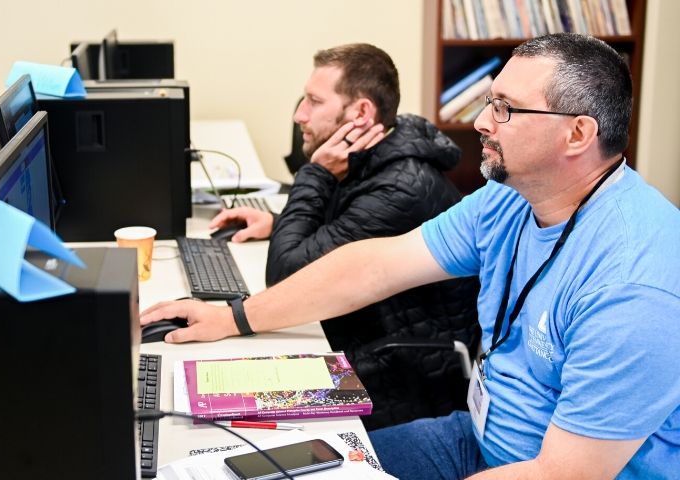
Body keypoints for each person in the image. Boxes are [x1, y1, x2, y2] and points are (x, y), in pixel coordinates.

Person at [143, 33, 680, 478]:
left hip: (536, 469)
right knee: (259, 470)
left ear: (577, 133)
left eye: (505, 109)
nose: (482, 123)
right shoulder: (509, 197)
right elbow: (377, 264)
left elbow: (561, 474)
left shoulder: (634, 287)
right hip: (476, 437)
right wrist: (233, 317)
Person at [209, 43, 481, 430]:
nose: (299, 114)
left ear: (361, 113)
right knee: (219, 387)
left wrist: (315, 174)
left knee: (232, 408)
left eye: (313, 101)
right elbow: (347, 225)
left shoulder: (401, 188)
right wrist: (277, 220)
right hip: (359, 341)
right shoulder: (378, 152)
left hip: (394, 376)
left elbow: (288, 277)